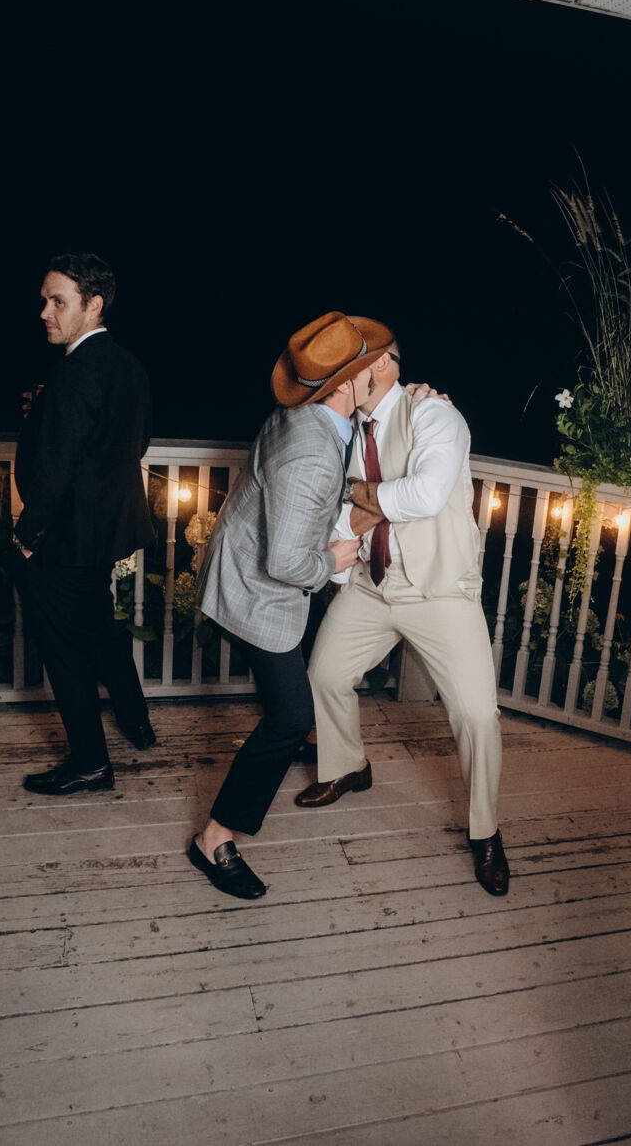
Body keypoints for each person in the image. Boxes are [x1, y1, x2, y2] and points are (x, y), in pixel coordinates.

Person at [297, 337, 509, 895]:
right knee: (325, 675)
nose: (344, 374)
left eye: (357, 364)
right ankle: (347, 766)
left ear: (386, 366)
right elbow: (337, 513)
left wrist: (355, 495)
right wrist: (354, 512)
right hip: (372, 584)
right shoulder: (347, 429)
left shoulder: (435, 414)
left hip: (439, 591)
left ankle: (485, 831)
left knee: (477, 715)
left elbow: (426, 495)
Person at [187, 312, 377, 899]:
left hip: (243, 565)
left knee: (308, 675)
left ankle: (325, 748)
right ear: (346, 383)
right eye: (370, 366)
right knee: (291, 714)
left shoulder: (305, 412)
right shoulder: (311, 451)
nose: (379, 372)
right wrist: (332, 560)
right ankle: (215, 836)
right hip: (257, 589)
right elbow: (288, 563)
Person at [13, 252, 157, 797]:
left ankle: (91, 764)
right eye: (44, 301)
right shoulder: (129, 365)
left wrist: (28, 538)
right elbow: (136, 444)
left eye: (58, 301)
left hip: (65, 536)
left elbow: (55, 469)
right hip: (105, 531)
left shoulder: (73, 372)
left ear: (93, 305)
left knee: (65, 652)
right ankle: (136, 721)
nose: (44, 312)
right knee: (99, 626)